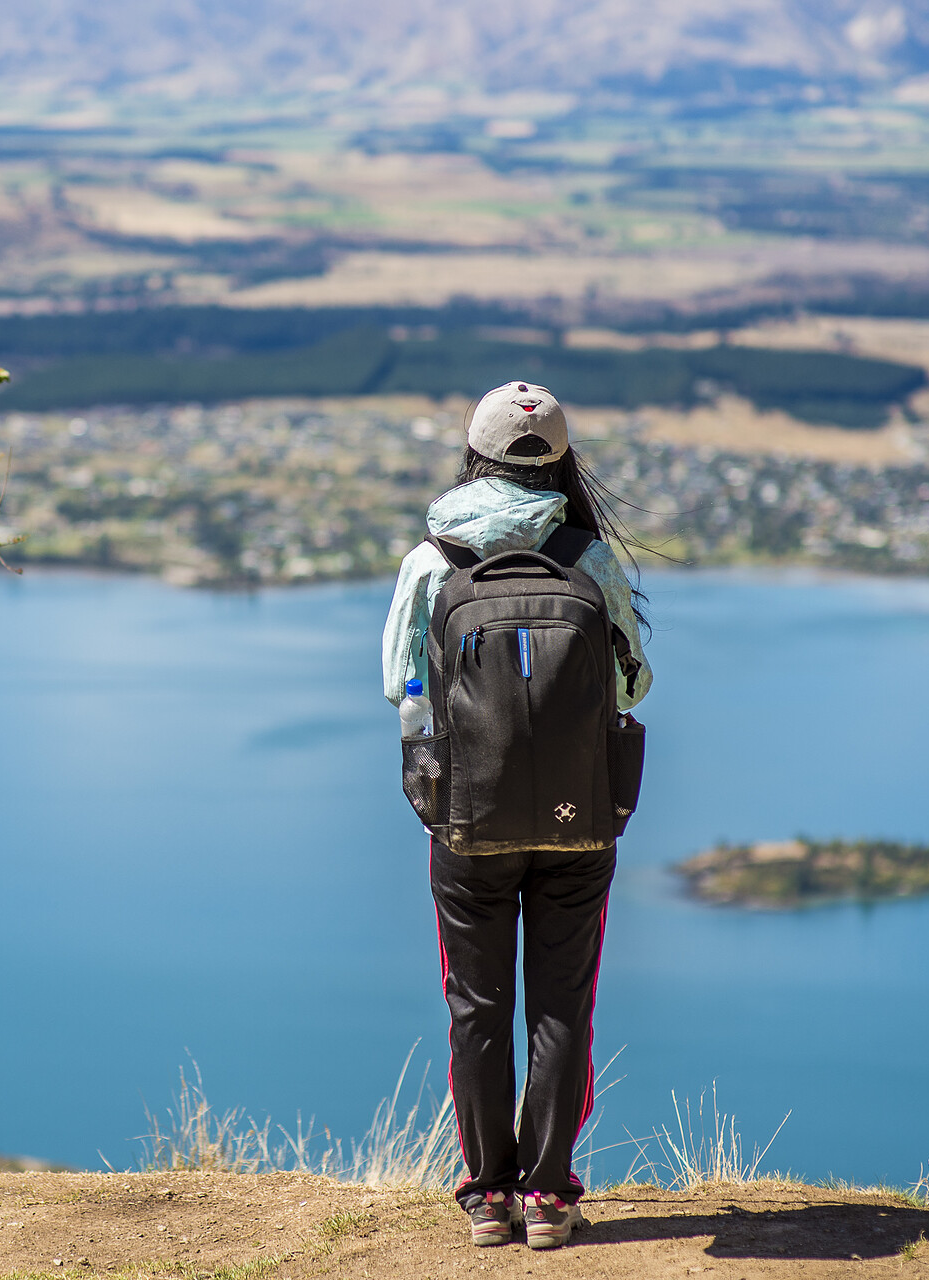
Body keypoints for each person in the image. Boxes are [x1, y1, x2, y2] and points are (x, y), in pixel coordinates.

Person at [381, 380, 653, 1250]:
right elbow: (631, 683)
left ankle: (487, 1196)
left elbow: (403, 692)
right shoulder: (589, 557)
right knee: (562, 1003)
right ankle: (549, 1195)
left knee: (476, 1005)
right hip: (580, 822)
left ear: (474, 453)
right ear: (560, 459)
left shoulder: (434, 559)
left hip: (469, 820)